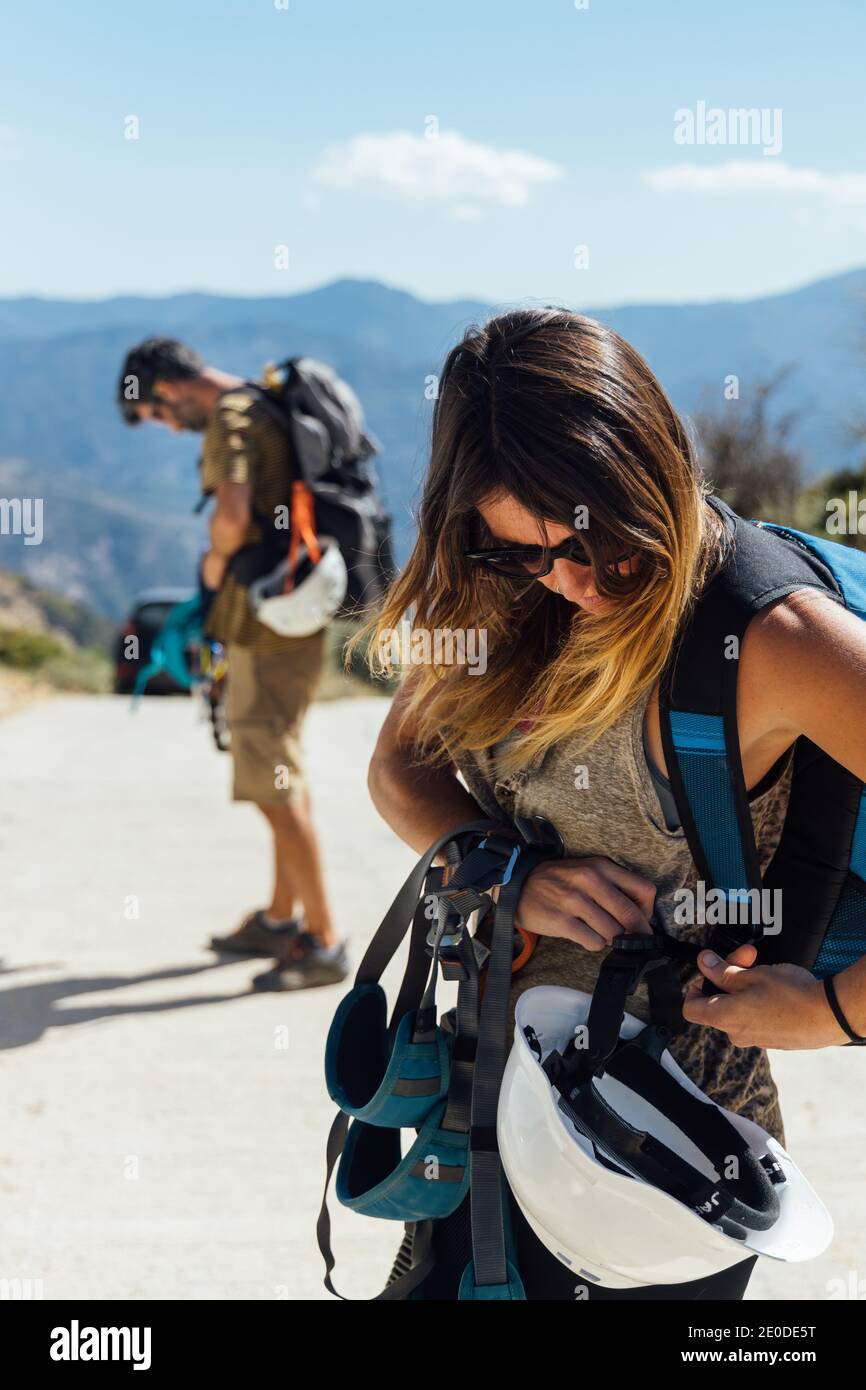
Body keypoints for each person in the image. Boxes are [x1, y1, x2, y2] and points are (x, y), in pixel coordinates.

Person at [365, 308, 866, 1299]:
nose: (574, 585)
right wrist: (510, 869)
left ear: (656, 476)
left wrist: (830, 1015)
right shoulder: (489, 591)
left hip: (671, 1136)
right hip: (492, 1083)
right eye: (526, 553)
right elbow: (398, 770)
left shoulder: (772, 636)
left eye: (613, 554)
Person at [117, 337, 347, 991]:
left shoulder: (229, 418)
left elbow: (231, 516)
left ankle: (324, 941)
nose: (165, 425)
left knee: (273, 781)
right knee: (282, 770)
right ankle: (280, 916)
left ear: (172, 387)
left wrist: (213, 568)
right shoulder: (262, 401)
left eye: (158, 413)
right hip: (292, 610)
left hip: (263, 623)